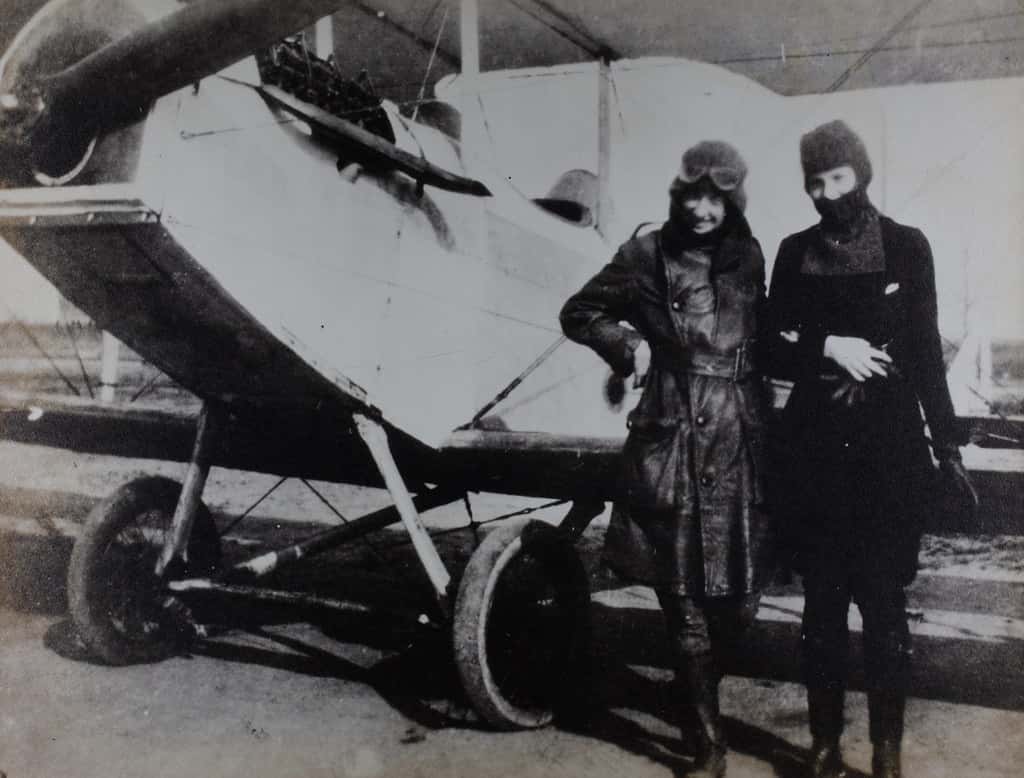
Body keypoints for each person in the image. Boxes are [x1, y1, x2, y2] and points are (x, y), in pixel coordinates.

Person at [762, 120, 978, 778]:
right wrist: (828, 346)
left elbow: (925, 351)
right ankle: (824, 745)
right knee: (822, 605)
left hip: (888, 452)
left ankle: (887, 752)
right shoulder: (794, 251)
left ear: (862, 174)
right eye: (815, 182)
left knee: (884, 605)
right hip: (815, 452)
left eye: (838, 177)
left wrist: (948, 444)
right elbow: (768, 343)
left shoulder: (908, 246)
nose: (828, 193)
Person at [560, 140, 775, 778]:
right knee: (683, 600)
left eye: (717, 199)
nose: (704, 210)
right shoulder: (644, 255)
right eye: (694, 197)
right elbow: (578, 313)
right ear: (679, 197)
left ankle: (692, 691)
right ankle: (708, 742)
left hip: (740, 434)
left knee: (740, 600)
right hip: (673, 431)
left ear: (733, 201)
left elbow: (764, 337)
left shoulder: (750, 255)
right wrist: (629, 345)